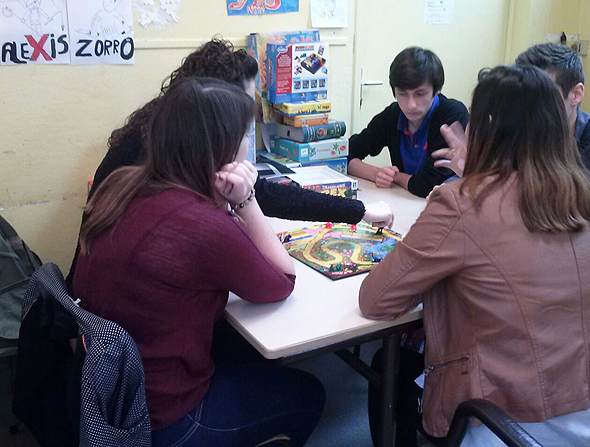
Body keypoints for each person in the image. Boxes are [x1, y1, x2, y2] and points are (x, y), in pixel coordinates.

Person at [72, 77, 325, 446]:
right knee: (309, 393)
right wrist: (246, 201)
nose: (247, 148)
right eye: (244, 138)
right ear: (220, 150)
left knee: (246, 354)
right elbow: (282, 280)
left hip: (110, 395)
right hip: (168, 416)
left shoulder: (123, 184)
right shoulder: (197, 223)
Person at [360, 65, 590, 446]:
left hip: (510, 424)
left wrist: (469, 183)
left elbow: (375, 300)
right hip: (589, 415)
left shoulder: (463, 203)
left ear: (484, 126)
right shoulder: (587, 193)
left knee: (392, 365)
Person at [67, 36, 393, 287]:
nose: (248, 125)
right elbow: (279, 278)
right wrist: (246, 203)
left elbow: (257, 194)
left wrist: (357, 211)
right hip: (134, 341)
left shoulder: (168, 132)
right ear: (217, 107)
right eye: (243, 109)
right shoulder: (168, 164)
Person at [435, 43, 590, 183]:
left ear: (576, 94)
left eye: (543, 95)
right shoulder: (516, 130)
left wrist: (473, 175)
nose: (527, 105)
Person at [347, 47, 468, 198]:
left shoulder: (452, 114)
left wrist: (396, 177)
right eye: (402, 94)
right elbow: (345, 153)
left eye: (420, 94)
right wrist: (377, 173)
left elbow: (427, 185)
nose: (411, 105)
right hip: (405, 201)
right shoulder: (393, 115)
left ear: (437, 90)